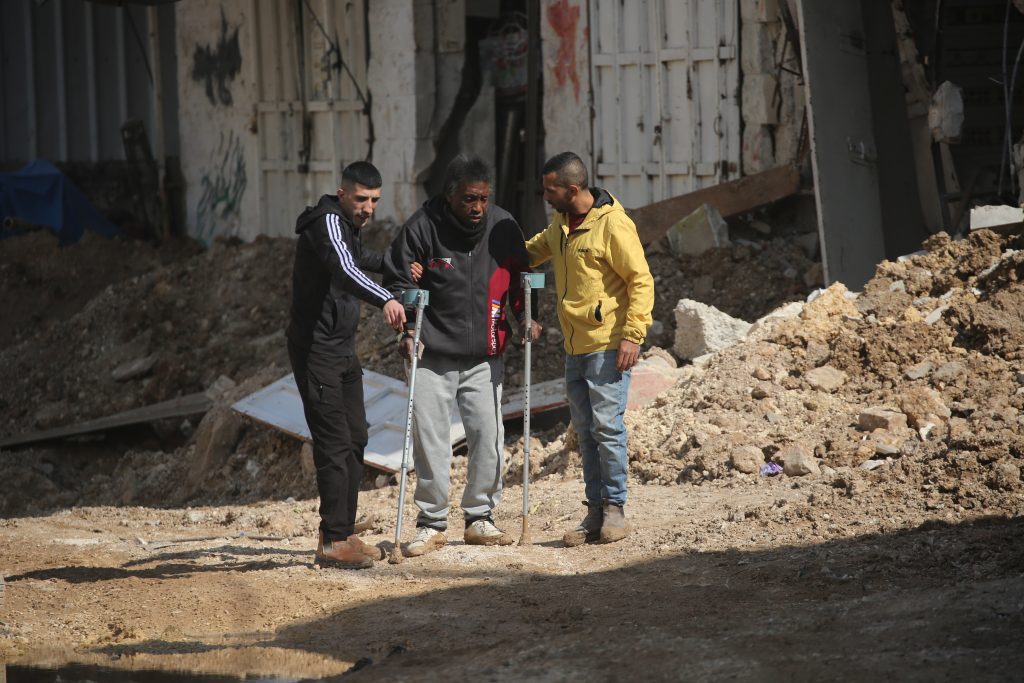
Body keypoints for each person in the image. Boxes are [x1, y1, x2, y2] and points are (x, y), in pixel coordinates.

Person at [384, 155, 540, 557]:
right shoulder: (422, 226)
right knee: (431, 442)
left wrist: (527, 318)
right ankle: (431, 522)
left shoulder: (503, 226)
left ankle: (480, 517)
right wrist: (406, 331)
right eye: (470, 199)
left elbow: (523, 279)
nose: (478, 209)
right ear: (450, 196)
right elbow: (398, 276)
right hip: (432, 350)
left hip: (485, 353)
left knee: (488, 438)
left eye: (484, 199)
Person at [524, 151, 654, 546]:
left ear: (572, 189)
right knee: (585, 431)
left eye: (550, 190)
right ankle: (595, 511)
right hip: (574, 347)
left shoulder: (613, 225)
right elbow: (530, 252)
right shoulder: (561, 224)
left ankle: (615, 508)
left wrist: (633, 335)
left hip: (607, 346)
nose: (545, 196)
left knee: (607, 428)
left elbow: (641, 281)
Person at [286, 161, 407, 569]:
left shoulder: (348, 227)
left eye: (374, 200)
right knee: (334, 441)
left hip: (341, 348)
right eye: (361, 199)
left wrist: (399, 268)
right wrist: (387, 298)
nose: (368, 207)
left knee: (356, 436)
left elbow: (359, 257)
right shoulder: (328, 223)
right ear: (342, 194)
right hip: (316, 350)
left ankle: (341, 531)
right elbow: (346, 267)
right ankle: (334, 539)